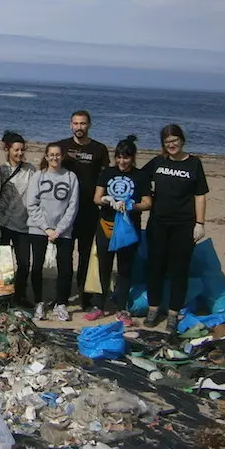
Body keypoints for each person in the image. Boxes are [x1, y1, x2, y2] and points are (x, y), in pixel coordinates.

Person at [142, 124, 209, 333]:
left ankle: (173, 313)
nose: (171, 145)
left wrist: (200, 223)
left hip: (184, 225)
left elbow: (200, 195)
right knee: (156, 267)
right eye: (167, 142)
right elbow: (137, 178)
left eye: (174, 140)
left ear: (182, 140)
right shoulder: (157, 162)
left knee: (179, 270)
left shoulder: (194, 164)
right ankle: (153, 308)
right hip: (158, 223)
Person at [87, 135, 152, 325]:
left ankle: (122, 309)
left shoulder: (140, 176)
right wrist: (108, 200)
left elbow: (148, 202)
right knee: (103, 267)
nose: (122, 162)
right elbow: (97, 198)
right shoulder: (107, 172)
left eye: (126, 157)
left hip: (129, 229)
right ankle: (99, 305)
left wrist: (132, 205)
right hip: (106, 226)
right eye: (119, 157)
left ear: (133, 157)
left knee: (124, 269)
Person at [49, 110, 109, 311]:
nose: (79, 127)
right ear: (70, 125)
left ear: (89, 125)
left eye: (82, 123)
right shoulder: (62, 147)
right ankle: (61, 299)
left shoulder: (99, 149)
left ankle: (86, 297)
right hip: (65, 212)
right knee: (64, 257)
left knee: (86, 255)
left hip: (89, 211)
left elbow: (106, 178)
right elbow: (49, 169)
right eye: (75, 123)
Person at [26, 143, 79, 322]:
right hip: (38, 229)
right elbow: (31, 204)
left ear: (62, 156)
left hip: (63, 231)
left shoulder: (71, 177)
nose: (54, 158)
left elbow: (73, 206)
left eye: (58, 155)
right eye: (51, 155)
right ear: (46, 157)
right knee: (37, 266)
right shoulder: (38, 176)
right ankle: (39, 302)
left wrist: (59, 229)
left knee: (65, 267)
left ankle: (61, 304)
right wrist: (46, 228)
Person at [0, 131, 36, 305]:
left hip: (23, 224)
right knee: (2, 263)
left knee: (24, 263)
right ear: (8, 149)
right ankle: (2, 296)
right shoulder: (1, 171)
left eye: (22, 150)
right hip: (2, 222)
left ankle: (20, 295)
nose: (19, 153)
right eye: (16, 150)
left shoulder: (31, 170)